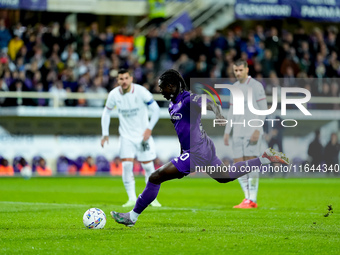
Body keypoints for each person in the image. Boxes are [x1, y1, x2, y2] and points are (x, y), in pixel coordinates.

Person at [110, 69, 289, 227]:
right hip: (200, 148)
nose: (160, 90)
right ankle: (265, 157)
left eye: (162, 87)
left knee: (155, 177)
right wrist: (182, 155)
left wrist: (218, 114)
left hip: (198, 151)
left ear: (172, 86)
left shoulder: (188, 99)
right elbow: (183, 132)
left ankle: (131, 217)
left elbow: (210, 103)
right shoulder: (172, 105)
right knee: (224, 176)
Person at [101, 69, 161, 207]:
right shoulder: (114, 94)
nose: (124, 81)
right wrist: (105, 133)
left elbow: (156, 110)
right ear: (117, 81)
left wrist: (149, 128)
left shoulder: (141, 92)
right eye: (121, 79)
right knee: (127, 166)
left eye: (126, 78)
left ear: (131, 78)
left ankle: (152, 198)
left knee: (148, 167)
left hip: (142, 137)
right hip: (126, 136)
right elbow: (106, 113)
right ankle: (132, 199)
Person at [224, 59, 268, 209]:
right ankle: (247, 197)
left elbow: (263, 109)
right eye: (235, 70)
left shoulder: (255, 86)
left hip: (251, 131)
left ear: (247, 70)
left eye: (240, 70)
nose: (238, 73)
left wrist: (257, 129)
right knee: (238, 165)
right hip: (237, 131)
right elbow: (231, 111)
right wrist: (227, 131)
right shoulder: (234, 87)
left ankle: (252, 198)